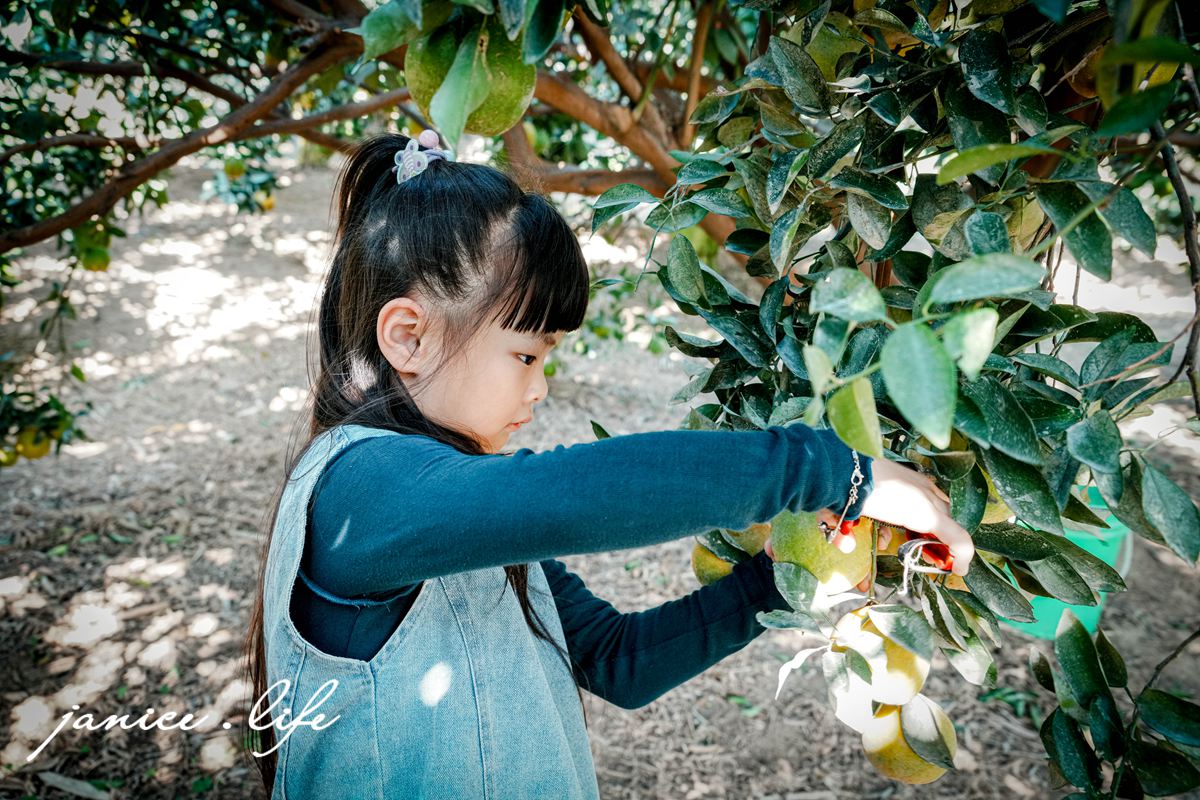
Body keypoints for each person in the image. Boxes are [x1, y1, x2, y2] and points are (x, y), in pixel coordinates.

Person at [242, 130, 974, 800]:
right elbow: (566, 493)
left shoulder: (475, 533)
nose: (540, 387)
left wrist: (776, 572)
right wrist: (842, 472)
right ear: (409, 337)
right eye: (526, 354)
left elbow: (621, 663)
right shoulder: (357, 493)